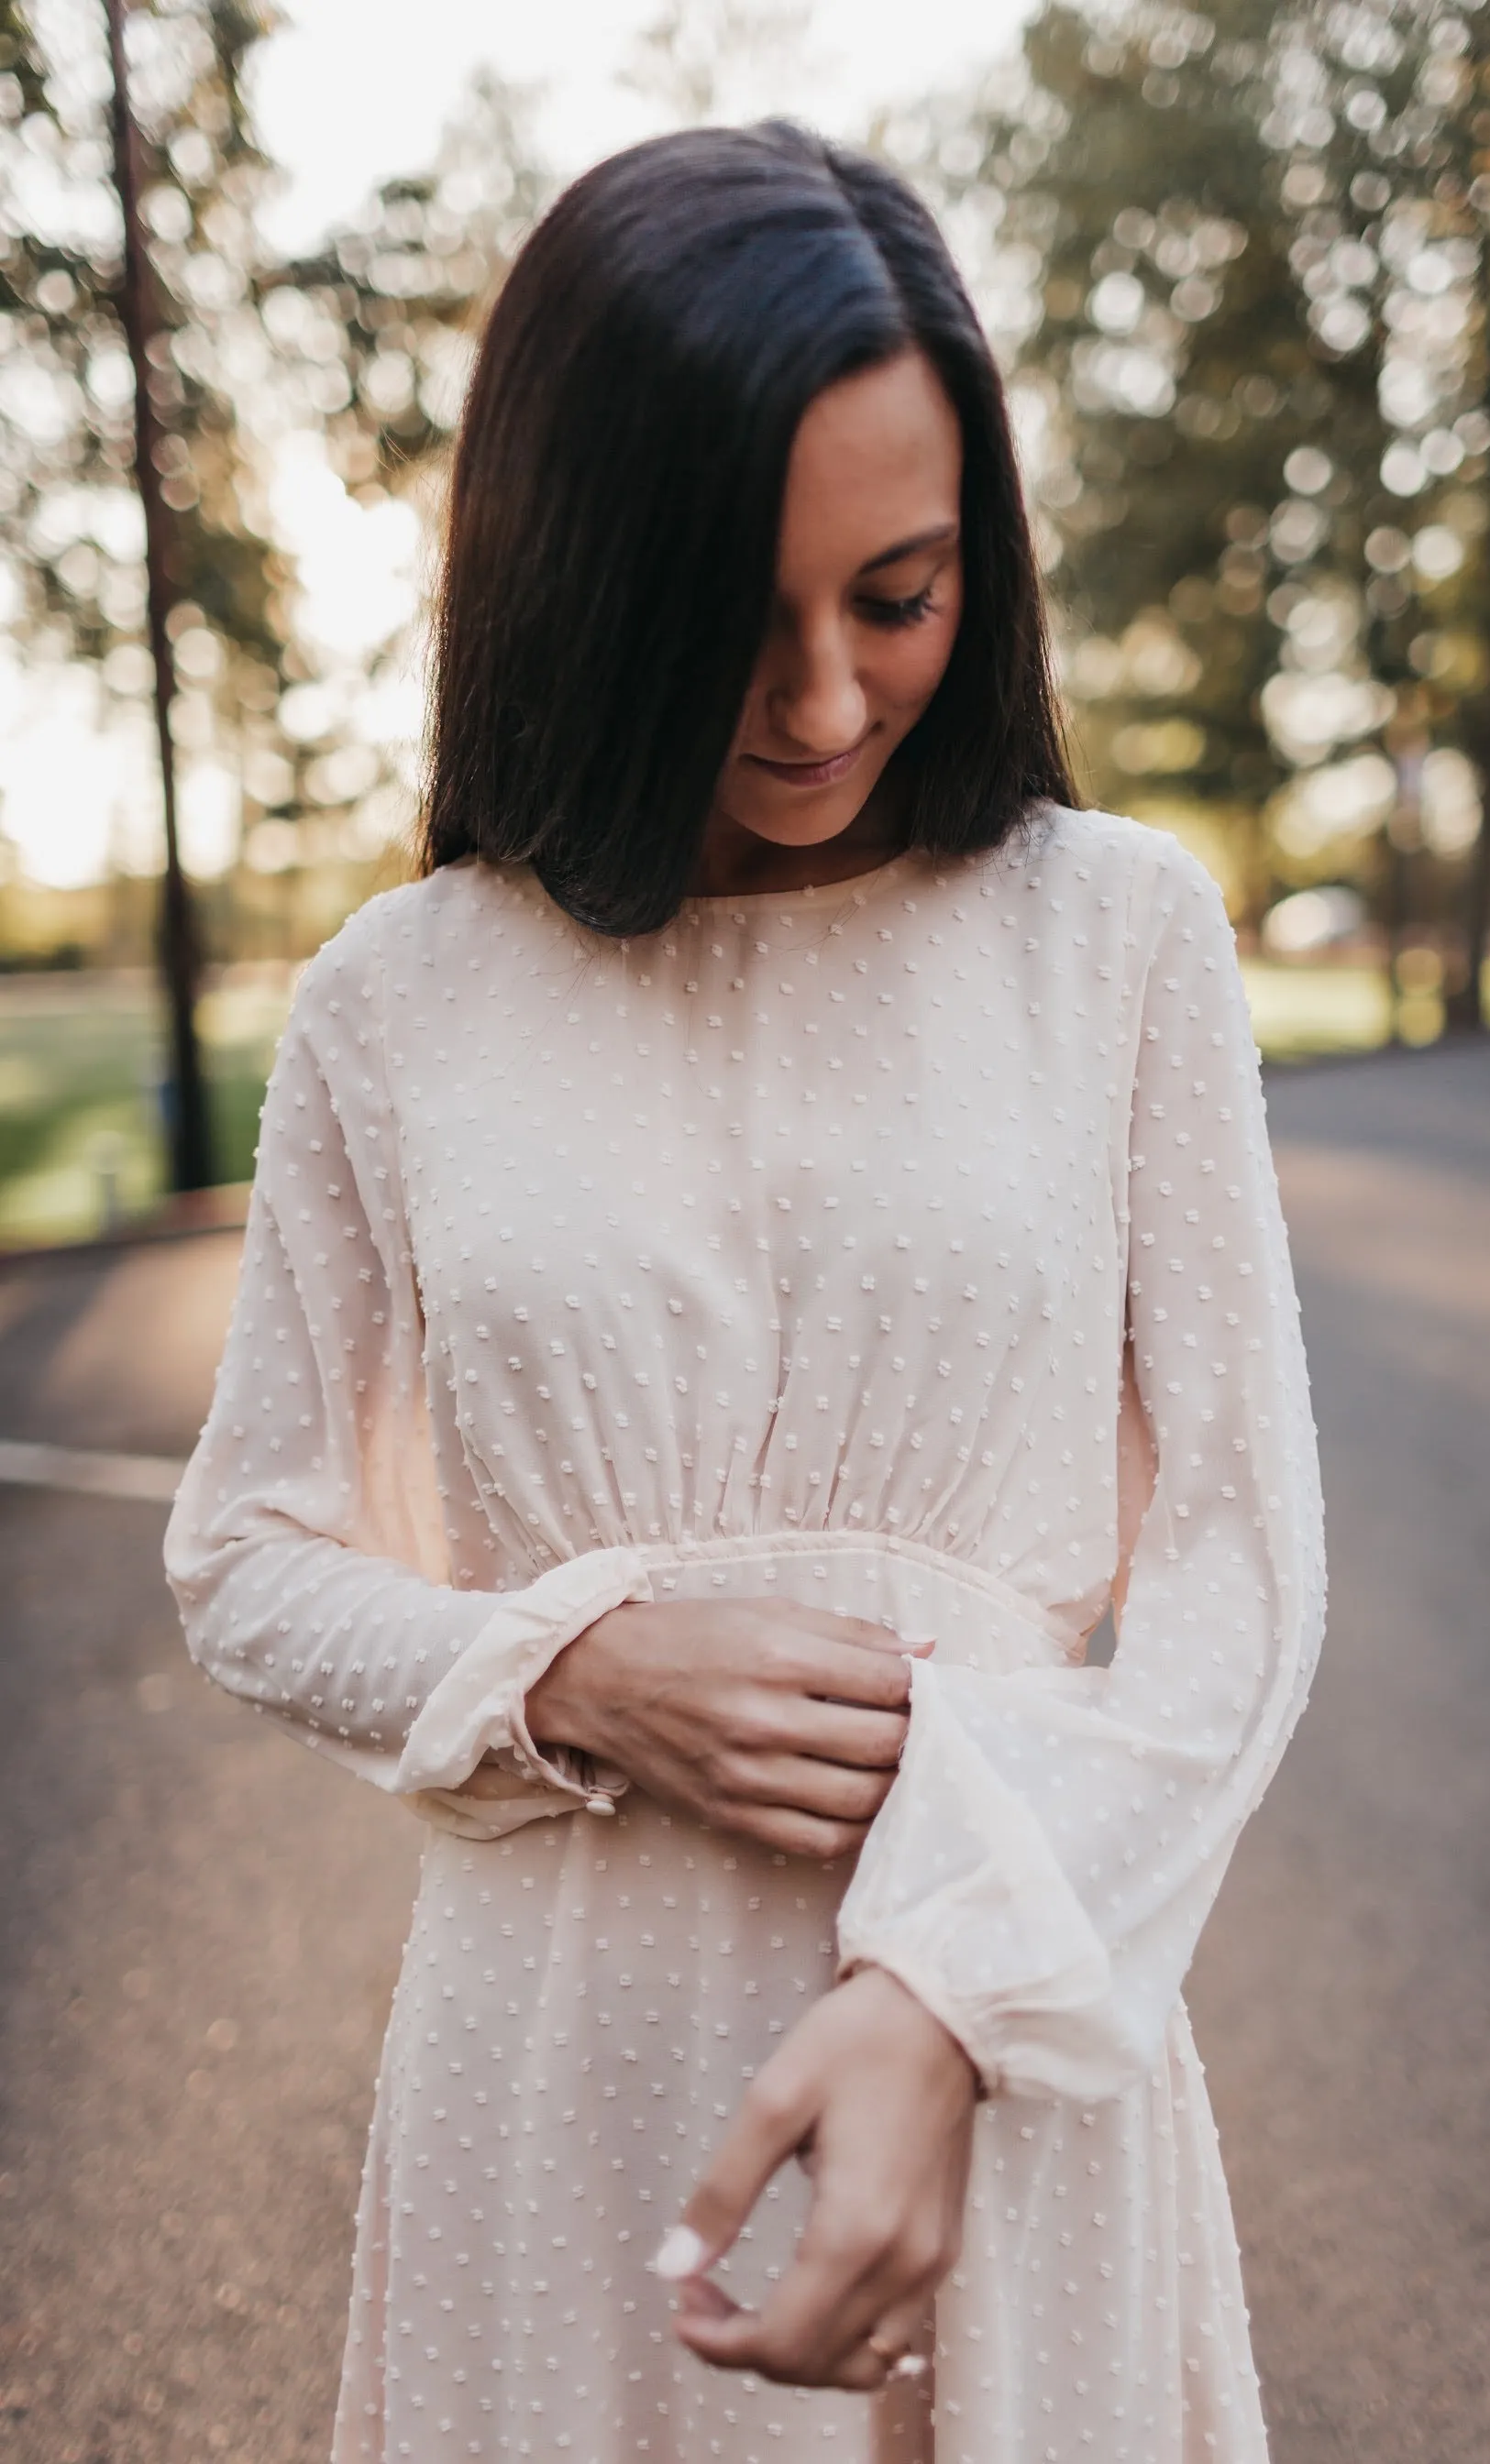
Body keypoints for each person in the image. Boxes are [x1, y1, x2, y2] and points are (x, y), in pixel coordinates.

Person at [164, 118, 1326, 2464]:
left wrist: (943, 1990)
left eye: (893, 598)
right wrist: (561, 1664)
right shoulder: (399, 1004)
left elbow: (1237, 1580)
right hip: (558, 2084)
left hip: (1001, 2045)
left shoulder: (1111, 939)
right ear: (579, 587)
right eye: (731, 618)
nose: (814, 701)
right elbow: (244, 1554)